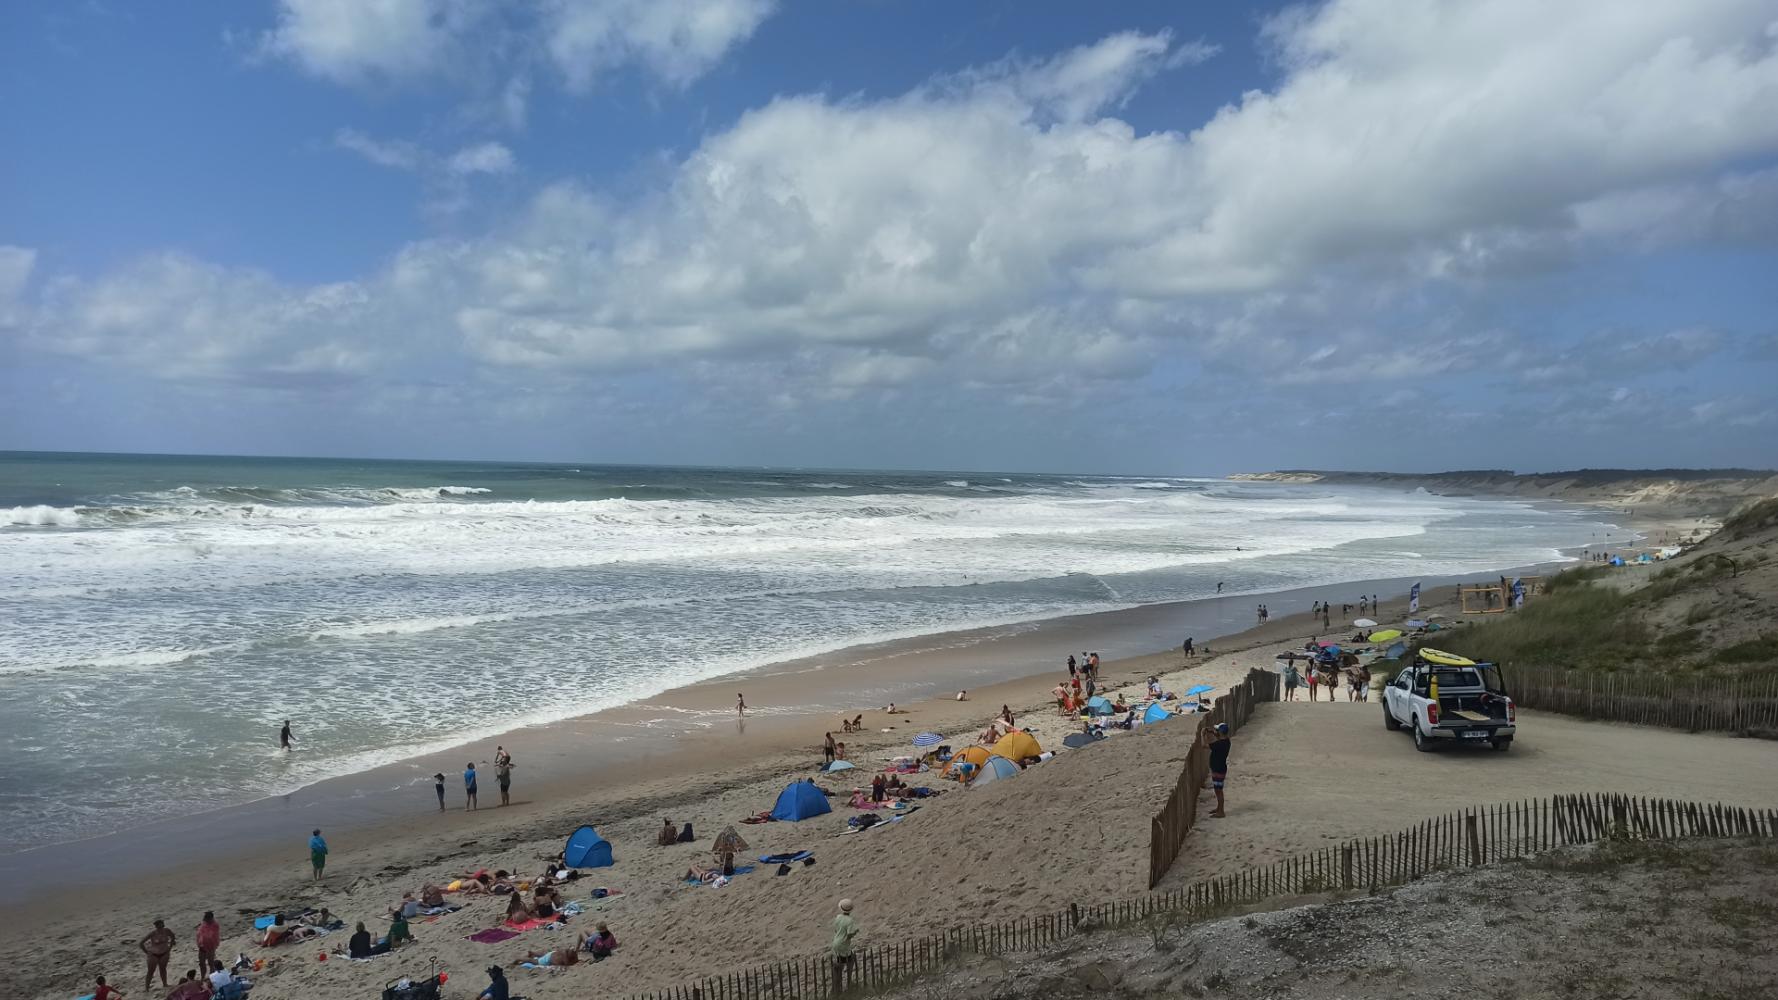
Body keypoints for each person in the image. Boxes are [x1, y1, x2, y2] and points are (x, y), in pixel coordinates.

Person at [830, 899, 859, 989]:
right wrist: (855, 932)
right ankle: (848, 981)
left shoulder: (838, 917)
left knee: (839, 961)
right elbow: (850, 933)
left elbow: (835, 929)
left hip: (835, 942)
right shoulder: (850, 921)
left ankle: (837, 984)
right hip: (843, 944)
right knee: (850, 960)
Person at [1205, 722, 1231, 817]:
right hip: (1221, 768)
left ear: (1220, 732)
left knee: (1219, 791)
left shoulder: (1218, 744)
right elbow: (1220, 737)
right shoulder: (1226, 741)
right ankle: (1219, 808)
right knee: (1218, 790)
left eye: (1217, 730)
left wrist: (1202, 734)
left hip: (1218, 770)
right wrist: (1212, 732)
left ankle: (1221, 812)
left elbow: (1204, 745)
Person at [141, 918, 175, 990]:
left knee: (163, 969)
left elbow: (173, 936)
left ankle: (165, 984)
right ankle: (147, 988)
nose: (160, 926)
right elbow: (141, 943)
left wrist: (170, 947)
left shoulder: (167, 931)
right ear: (156, 926)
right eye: (159, 925)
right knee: (150, 971)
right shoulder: (153, 933)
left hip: (165, 952)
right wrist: (147, 952)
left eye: (161, 924)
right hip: (153, 954)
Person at [195, 911, 220, 980]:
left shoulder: (215, 925)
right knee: (202, 963)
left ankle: (212, 976)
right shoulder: (203, 924)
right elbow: (199, 934)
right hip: (202, 946)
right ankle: (202, 977)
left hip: (210, 947)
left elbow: (212, 936)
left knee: (211, 963)